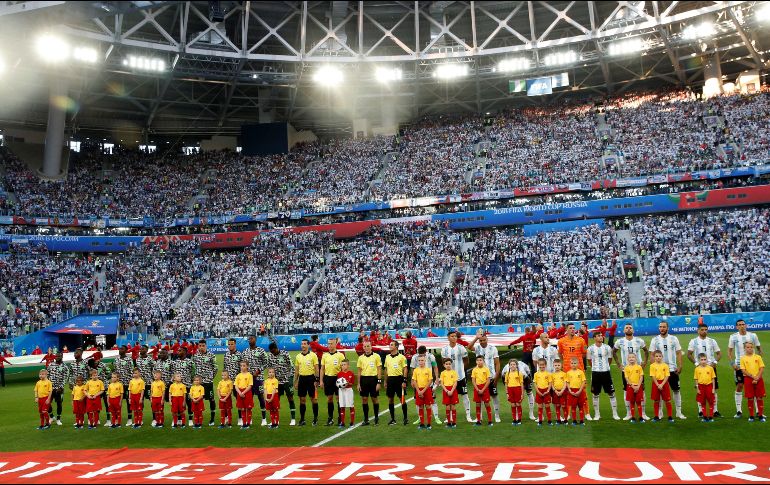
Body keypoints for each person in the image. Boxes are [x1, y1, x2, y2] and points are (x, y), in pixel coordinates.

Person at [649, 321, 686, 419]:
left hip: (672, 369)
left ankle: (678, 412)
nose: (662, 328)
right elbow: (652, 354)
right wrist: (653, 367)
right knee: (659, 392)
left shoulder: (674, 338)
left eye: (664, 327)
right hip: (659, 372)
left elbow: (678, 352)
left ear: (667, 328)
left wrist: (680, 365)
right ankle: (660, 412)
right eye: (660, 327)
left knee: (676, 390)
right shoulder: (655, 339)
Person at [613, 324, 650, 420]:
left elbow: (646, 351)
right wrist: (618, 364)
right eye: (626, 328)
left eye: (630, 328)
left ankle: (643, 413)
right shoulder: (619, 341)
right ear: (624, 330)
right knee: (626, 390)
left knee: (642, 390)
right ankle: (629, 413)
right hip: (626, 370)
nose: (628, 329)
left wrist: (645, 362)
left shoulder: (639, 341)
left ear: (633, 330)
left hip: (638, 370)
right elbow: (613, 352)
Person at [728, 319, 762, 418]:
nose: (742, 326)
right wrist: (732, 363)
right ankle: (739, 411)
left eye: (743, 324)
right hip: (739, 365)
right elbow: (729, 352)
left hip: (752, 365)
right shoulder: (733, 337)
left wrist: (758, 362)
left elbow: (759, 349)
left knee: (755, 386)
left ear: (746, 325)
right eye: (739, 325)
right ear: (736, 327)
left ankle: (758, 412)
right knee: (740, 385)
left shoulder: (753, 335)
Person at [687, 323, 722, 417]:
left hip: (711, 368)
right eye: (702, 330)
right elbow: (689, 354)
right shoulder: (693, 341)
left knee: (714, 389)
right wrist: (696, 364)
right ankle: (701, 411)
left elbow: (719, 353)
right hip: (699, 370)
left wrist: (715, 362)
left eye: (706, 329)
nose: (704, 331)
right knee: (700, 389)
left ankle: (715, 410)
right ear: (698, 330)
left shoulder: (712, 341)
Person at [558, 323, 591, 420]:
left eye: (573, 328)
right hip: (567, 370)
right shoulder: (561, 341)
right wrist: (565, 362)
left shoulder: (581, 340)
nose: (572, 330)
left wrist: (579, 361)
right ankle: (568, 414)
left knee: (583, 391)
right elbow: (560, 354)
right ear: (567, 330)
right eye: (570, 328)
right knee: (568, 393)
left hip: (579, 370)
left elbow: (585, 353)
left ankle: (587, 413)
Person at [468, 330, 501, 423]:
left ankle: (497, 416)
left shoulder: (493, 348)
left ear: (487, 339)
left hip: (491, 377)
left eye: (484, 340)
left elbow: (497, 363)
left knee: (494, 396)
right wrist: (476, 338)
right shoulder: (477, 348)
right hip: (480, 378)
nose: (482, 342)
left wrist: (497, 376)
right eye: (481, 341)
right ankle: (480, 417)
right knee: (480, 399)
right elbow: (469, 347)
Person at [441, 331, 472, 423]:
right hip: (448, 379)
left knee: (465, 396)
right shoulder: (444, 349)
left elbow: (466, 360)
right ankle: (448, 417)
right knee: (449, 398)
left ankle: (468, 416)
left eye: (455, 336)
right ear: (448, 338)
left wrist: (462, 370)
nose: (454, 338)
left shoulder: (461, 348)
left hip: (461, 377)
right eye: (452, 336)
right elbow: (443, 362)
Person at [587, 333, 620, 420]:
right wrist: (596, 367)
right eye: (598, 336)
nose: (601, 337)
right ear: (594, 338)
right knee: (595, 394)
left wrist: (606, 367)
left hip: (606, 373)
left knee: (611, 392)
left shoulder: (607, 347)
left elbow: (610, 359)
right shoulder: (590, 349)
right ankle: (597, 414)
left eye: (601, 336)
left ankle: (615, 414)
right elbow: (589, 360)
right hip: (595, 373)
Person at [266, 342, 296, 425]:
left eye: (273, 351)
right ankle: (276, 420)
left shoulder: (285, 353)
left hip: (286, 380)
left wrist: (290, 378)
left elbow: (292, 366)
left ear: (276, 348)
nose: (273, 353)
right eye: (271, 352)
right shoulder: (270, 356)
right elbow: (269, 368)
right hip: (276, 382)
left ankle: (293, 419)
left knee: (290, 398)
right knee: (275, 399)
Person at [410, 346, 442, 424]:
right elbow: (412, 368)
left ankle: (436, 417)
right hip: (418, 383)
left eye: (423, 354)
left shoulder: (431, 356)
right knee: (418, 401)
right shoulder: (414, 357)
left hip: (428, 383)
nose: (421, 356)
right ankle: (420, 418)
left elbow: (435, 367)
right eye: (420, 354)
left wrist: (437, 378)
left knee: (432, 400)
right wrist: (412, 380)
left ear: (425, 352)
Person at [242, 335, 269, 427]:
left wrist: (259, 371)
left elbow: (266, 362)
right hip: (248, 379)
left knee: (261, 397)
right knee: (249, 398)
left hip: (258, 378)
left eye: (252, 338)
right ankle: (250, 418)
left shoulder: (261, 350)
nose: (250, 340)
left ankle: (264, 419)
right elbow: (243, 364)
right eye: (249, 339)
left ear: (255, 340)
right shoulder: (245, 351)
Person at [192, 340, 219, 426]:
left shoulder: (211, 355)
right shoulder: (195, 356)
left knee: (211, 399)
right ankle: (198, 419)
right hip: (198, 384)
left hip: (208, 382)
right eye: (200, 345)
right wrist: (195, 378)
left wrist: (211, 377)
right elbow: (193, 368)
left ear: (206, 346)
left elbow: (215, 368)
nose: (201, 347)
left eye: (203, 345)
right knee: (198, 400)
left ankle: (212, 419)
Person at [293, 339, 319, 426]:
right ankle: (302, 419)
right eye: (302, 344)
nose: (303, 345)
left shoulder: (313, 355)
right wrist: (296, 381)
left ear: (308, 345)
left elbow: (316, 368)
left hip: (311, 379)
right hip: (302, 379)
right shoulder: (298, 356)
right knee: (302, 400)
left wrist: (317, 379)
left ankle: (315, 418)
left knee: (313, 399)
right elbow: (296, 370)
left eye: (304, 344)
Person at [356, 340, 382, 426]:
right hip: (364, 380)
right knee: (364, 399)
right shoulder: (360, 358)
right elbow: (359, 371)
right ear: (363, 347)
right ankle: (366, 419)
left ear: (371, 347)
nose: (366, 348)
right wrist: (358, 383)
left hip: (373, 380)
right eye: (365, 346)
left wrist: (379, 382)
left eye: (368, 346)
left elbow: (379, 369)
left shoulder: (376, 356)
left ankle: (376, 418)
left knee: (374, 399)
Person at [319, 338, 343, 426]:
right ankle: (330, 418)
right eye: (328, 344)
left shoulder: (340, 355)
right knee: (329, 399)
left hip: (337, 379)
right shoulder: (325, 355)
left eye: (332, 344)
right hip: (328, 379)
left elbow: (343, 369)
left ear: (335, 344)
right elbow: (322, 369)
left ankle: (340, 418)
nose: (330, 345)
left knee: (338, 399)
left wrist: (343, 380)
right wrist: (321, 381)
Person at [384, 341, 408, 426]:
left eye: (391, 345)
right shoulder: (387, 357)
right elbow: (386, 369)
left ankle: (405, 418)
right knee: (390, 399)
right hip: (390, 380)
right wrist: (385, 381)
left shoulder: (402, 357)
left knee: (402, 399)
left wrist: (404, 381)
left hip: (399, 379)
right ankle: (393, 419)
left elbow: (405, 369)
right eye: (389, 345)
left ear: (396, 346)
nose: (390, 346)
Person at [740, 342, 765, 422]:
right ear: (744, 348)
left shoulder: (758, 357)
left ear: (753, 347)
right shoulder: (743, 358)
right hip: (748, 379)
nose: (749, 348)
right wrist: (753, 376)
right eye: (747, 347)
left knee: (759, 397)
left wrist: (757, 377)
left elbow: (761, 368)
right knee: (750, 398)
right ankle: (751, 416)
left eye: (751, 347)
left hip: (759, 378)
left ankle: (760, 415)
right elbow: (743, 370)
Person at [172, 347, 196, 426]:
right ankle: (179, 419)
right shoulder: (175, 362)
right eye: (177, 350)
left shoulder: (190, 362)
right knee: (179, 404)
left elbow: (194, 372)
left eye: (180, 351)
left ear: (185, 352)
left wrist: (191, 381)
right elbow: (174, 373)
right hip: (178, 387)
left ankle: (190, 419)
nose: (177, 352)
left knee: (189, 403)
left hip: (187, 386)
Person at [649, 350, 674, 422]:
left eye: (660, 356)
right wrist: (658, 384)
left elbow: (667, 376)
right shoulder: (652, 366)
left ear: (662, 357)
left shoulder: (665, 365)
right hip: (656, 383)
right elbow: (653, 376)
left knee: (667, 400)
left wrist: (662, 384)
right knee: (656, 400)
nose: (658, 357)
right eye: (656, 356)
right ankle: (656, 416)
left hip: (664, 383)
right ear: (654, 357)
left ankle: (670, 416)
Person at [223, 339, 243, 425]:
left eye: (232, 344)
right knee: (226, 399)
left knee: (238, 400)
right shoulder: (226, 355)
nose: (230, 345)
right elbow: (224, 368)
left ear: (235, 345)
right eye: (229, 344)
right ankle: (227, 418)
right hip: (227, 383)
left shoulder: (239, 355)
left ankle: (240, 418)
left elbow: (242, 368)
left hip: (236, 382)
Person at [114, 345, 135, 426]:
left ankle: (129, 418)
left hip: (126, 384)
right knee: (116, 402)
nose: (120, 350)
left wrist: (130, 383)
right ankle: (116, 418)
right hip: (117, 385)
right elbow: (115, 371)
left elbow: (131, 372)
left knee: (128, 401)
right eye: (119, 348)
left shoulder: (129, 360)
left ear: (126, 350)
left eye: (122, 349)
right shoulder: (116, 360)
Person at [412, 354, 434, 430]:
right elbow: (414, 381)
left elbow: (430, 380)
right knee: (420, 406)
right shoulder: (415, 370)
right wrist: (418, 391)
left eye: (422, 360)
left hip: (426, 390)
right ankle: (421, 424)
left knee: (428, 406)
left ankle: (429, 424)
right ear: (418, 361)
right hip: (418, 390)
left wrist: (423, 390)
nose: (421, 362)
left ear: (425, 361)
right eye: (419, 360)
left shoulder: (428, 370)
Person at [470, 355, 493, 426]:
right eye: (478, 360)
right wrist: (477, 389)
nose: (479, 361)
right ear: (476, 361)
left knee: (487, 404)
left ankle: (490, 421)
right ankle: (478, 421)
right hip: (477, 388)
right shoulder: (474, 370)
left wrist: (483, 389)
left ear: (483, 361)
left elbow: (488, 380)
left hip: (484, 388)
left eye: (480, 360)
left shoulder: (486, 369)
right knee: (478, 404)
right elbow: (473, 380)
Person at [694, 353, 717, 423]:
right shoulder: (697, 369)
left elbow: (713, 379)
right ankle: (704, 416)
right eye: (702, 360)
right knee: (702, 402)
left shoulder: (710, 368)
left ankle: (711, 416)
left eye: (705, 359)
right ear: (699, 360)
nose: (703, 361)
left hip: (709, 386)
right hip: (701, 387)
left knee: (711, 401)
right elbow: (696, 379)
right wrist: (697, 388)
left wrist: (713, 388)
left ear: (707, 360)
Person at [46, 352, 68, 426]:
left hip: (59, 389)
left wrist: (61, 387)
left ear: (62, 357)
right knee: (48, 403)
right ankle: (52, 417)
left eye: (59, 356)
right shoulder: (51, 365)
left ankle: (58, 419)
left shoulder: (65, 366)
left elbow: (65, 378)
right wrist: (48, 386)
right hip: (50, 388)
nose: (57, 357)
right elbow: (47, 375)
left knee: (59, 404)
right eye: (56, 356)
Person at [623, 353, 645, 423]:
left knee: (639, 402)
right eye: (630, 357)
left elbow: (641, 376)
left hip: (638, 386)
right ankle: (633, 417)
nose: (631, 358)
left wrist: (638, 386)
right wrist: (633, 386)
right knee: (632, 402)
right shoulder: (626, 368)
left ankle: (641, 417)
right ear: (628, 359)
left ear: (636, 358)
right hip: (630, 387)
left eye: (633, 357)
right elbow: (626, 378)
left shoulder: (639, 367)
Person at [566, 357, 587, 426]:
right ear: (570, 364)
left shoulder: (581, 372)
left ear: (578, 364)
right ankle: (574, 421)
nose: (573, 365)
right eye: (572, 363)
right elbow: (567, 382)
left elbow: (584, 381)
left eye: (575, 363)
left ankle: (581, 420)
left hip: (580, 391)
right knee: (573, 407)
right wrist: (570, 390)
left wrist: (580, 390)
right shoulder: (568, 373)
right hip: (572, 391)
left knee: (581, 406)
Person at [504, 358, 524, 425]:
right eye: (511, 364)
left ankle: (519, 419)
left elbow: (521, 384)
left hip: (517, 389)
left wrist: (522, 393)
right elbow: (506, 384)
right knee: (512, 404)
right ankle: (514, 419)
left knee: (518, 404)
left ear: (517, 365)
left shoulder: (519, 373)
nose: (512, 366)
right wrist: (507, 393)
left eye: (514, 364)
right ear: (509, 366)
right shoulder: (507, 373)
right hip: (510, 389)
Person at [439, 358, 458, 428]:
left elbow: (455, 383)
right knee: (447, 407)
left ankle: (454, 422)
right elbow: (442, 383)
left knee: (453, 406)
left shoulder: (454, 372)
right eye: (446, 364)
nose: (448, 365)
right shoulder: (442, 373)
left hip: (453, 390)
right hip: (446, 390)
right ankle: (449, 422)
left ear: (451, 364)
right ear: (444, 365)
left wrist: (451, 391)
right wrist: (447, 391)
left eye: (449, 364)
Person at [533, 358, 553, 426]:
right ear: (538, 365)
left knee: (547, 406)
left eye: (543, 365)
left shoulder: (548, 374)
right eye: (540, 365)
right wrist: (538, 391)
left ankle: (549, 421)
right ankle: (540, 420)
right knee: (540, 406)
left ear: (546, 365)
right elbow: (535, 383)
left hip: (546, 391)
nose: (541, 366)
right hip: (539, 391)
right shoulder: (536, 374)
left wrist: (548, 391)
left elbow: (550, 383)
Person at [337, 359, 356, 427]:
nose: (343, 366)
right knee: (342, 406)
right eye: (342, 365)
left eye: (344, 364)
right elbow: (338, 383)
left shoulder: (351, 373)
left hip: (348, 390)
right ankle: (342, 422)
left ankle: (352, 422)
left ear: (348, 365)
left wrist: (347, 383)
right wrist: (340, 385)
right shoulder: (339, 374)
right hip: (341, 391)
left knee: (351, 406)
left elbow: (352, 383)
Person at [235, 361, 254, 429]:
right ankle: (244, 423)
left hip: (247, 392)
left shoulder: (249, 375)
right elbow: (236, 385)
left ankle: (248, 423)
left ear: (247, 366)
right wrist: (240, 392)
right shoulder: (238, 375)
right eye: (241, 366)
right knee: (242, 409)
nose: (242, 367)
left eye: (244, 365)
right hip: (240, 392)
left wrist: (243, 392)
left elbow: (250, 385)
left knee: (248, 408)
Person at [551, 358, 568, 424]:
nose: (557, 366)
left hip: (563, 392)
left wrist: (561, 391)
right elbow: (552, 384)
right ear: (553, 366)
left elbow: (565, 383)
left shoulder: (564, 374)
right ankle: (558, 420)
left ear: (561, 365)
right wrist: (555, 391)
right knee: (557, 406)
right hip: (555, 392)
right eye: (555, 365)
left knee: (564, 406)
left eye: (558, 365)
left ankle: (565, 420)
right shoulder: (552, 375)